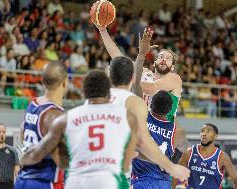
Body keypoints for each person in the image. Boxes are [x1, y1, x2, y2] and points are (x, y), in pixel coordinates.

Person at [19, 70, 139, 189]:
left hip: (77, 181)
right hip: (106, 180)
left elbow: (40, 154)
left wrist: (23, 159)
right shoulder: (127, 117)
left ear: (84, 94)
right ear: (108, 93)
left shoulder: (66, 118)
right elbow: (125, 166)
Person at [97, 25, 188, 157]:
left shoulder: (174, 79)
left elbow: (151, 89)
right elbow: (117, 57)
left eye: (168, 59)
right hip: (138, 128)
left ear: (172, 66)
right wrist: (103, 30)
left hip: (160, 132)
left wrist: (124, 76)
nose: (163, 59)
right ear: (155, 61)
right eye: (161, 56)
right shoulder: (145, 73)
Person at [15, 61, 68, 189]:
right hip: (44, 182)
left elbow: (22, 129)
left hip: (23, 179)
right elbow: (60, 158)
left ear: (43, 82)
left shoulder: (33, 104)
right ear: (65, 82)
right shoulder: (56, 115)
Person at [131, 90, 177, 189]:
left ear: (151, 104)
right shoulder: (174, 128)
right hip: (164, 182)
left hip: (143, 179)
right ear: (169, 109)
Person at [174, 123, 237, 189]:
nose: (204, 134)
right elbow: (176, 174)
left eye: (208, 131)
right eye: (202, 131)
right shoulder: (189, 152)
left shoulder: (222, 157)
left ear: (215, 136)